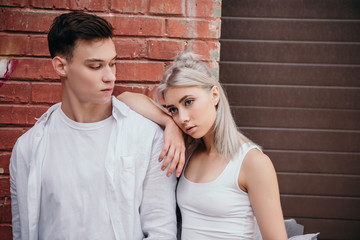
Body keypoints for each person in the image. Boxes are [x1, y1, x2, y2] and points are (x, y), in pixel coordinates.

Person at [9, 11, 184, 240]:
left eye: (112, 63)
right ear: (61, 66)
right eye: (95, 66)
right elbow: (23, 231)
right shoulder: (28, 148)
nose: (110, 76)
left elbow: (161, 230)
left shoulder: (147, 137)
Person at [118, 52, 288, 239]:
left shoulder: (252, 162)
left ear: (214, 95)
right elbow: (125, 98)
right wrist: (168, 123)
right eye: (173, 109)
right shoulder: (189, 150)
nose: (182, 118)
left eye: (189, 102)